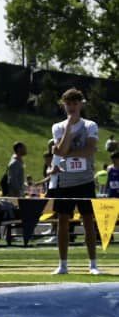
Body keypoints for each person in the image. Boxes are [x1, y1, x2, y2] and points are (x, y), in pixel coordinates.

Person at [50, 88, 101, 275]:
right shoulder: (58, 127)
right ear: (64, 105)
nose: (71, 107)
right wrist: (69, 129)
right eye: (68, 104)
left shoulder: (90, 125)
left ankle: (93, 264)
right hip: (65, 181)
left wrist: (65, 152)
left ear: (81, 104)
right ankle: (63, 264)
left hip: (85, 179)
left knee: (88, 220)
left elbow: (89, 150)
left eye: (74, 103)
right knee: (63, 221)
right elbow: (61, 149)